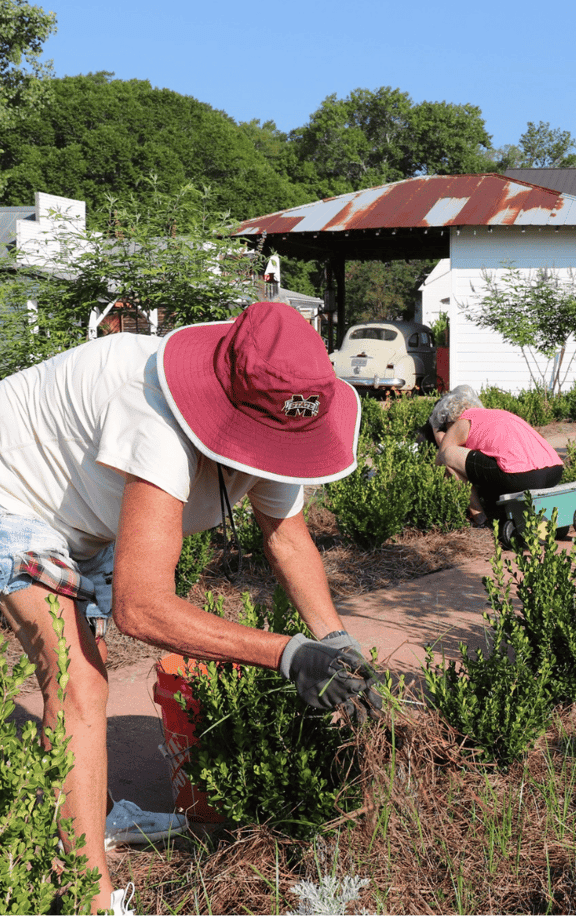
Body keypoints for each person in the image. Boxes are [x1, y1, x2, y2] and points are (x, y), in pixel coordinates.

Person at [0, 301, 380, 914]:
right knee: (78, 682)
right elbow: (141, 608)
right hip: (12, 490)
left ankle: (86, 814)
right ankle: (84, 895)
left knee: (83, 681)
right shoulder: (153, 411)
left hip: (85, 514)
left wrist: (334, 641)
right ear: (229, 405)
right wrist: (289, 655)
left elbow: (286, 536)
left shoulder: (277, 416)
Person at [431, 393, 564, 527]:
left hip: (523, 477)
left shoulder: (463, 421)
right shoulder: (494, 414)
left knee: (448, 455)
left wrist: (437, 432)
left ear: (449, 420)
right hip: (554, 471)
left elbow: (440, 459)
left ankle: (479, 517)